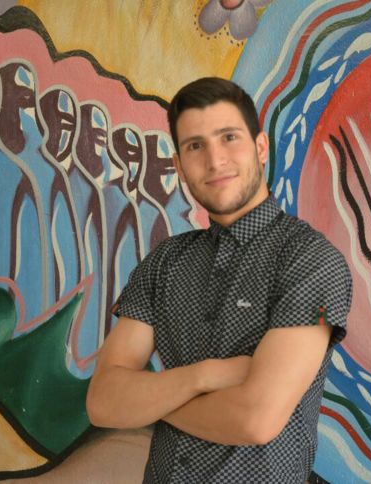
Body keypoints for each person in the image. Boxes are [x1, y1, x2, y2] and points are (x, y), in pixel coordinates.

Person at [86, 77, 352, 483]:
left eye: (229, 137)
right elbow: (103, 402)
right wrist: (204, 376)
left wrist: (151, 401)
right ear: (179, 165)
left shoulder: (309, 259)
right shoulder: (166, 262)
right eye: (195, 146)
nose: (214, 160)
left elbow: (255, 420)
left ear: (260, 147)